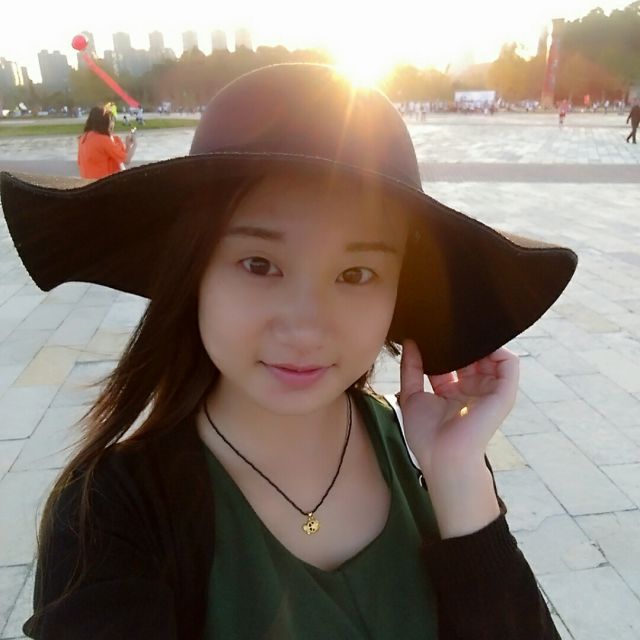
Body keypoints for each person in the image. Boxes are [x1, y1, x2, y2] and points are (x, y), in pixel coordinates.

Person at [0, 64, 577, 639]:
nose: (305, 328)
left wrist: (458, 476)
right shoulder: (109, 517)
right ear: (195, 271)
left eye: (357, 273)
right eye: (259, 264)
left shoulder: (405, 443)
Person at [77, 105, 137, 179]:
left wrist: (128, 146)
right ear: (104, 122)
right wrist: (135, 145)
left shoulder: (83, 137)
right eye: (111, 120)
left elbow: (120, 157)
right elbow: (126, 160)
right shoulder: (103, 140)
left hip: (88, 180)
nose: (112, 124)